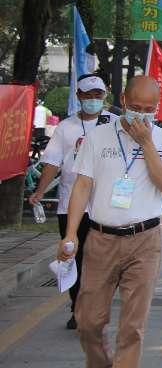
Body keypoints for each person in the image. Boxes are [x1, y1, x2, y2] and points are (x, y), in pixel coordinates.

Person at [58, 76, 162, 368]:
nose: (142, 114)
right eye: (136, 107)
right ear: (123, 100)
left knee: (133, 325)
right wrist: (71, 234)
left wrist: (146, 143)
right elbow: (82, 186)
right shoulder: (98, 137)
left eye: (149, 109)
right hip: (101, 239)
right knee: (88, 321)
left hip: (145, 240)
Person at [28, 74, 114, 329]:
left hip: (105, 205)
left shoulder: (114, 124)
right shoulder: (66, 127)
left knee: (100, 262)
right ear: (78, 96)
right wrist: (40, 191)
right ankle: (77, 309)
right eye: (88, 95)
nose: (93, 100)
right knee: (73, 259)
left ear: (104, 97)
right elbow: (52, 162)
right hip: (71, 205)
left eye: (98, 95)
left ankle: (96, 308)